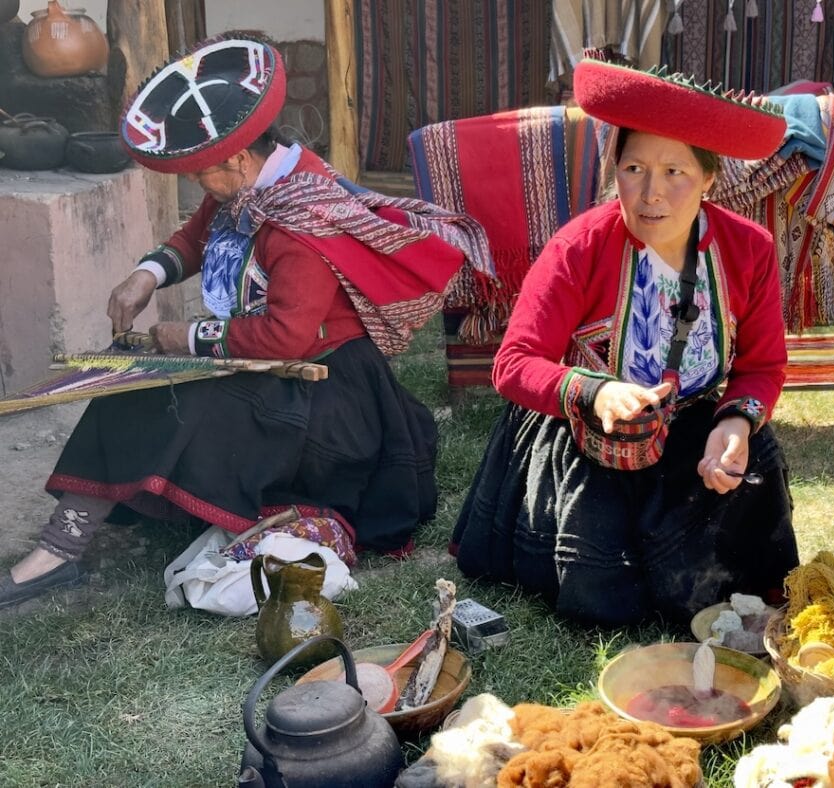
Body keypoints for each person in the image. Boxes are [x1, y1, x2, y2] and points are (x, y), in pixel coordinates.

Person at [0, 37, 489, 609]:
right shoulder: (247, 188)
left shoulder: (298, 220)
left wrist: (184, 337)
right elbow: (195, 236)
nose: (196, 186)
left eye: (201, 174)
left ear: (236, 160)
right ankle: (62, 546)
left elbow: (289, 337)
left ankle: (64, 546)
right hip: (265, 363)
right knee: (132, 382)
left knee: (178, 399)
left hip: (324, 397)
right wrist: (146, 276)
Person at [451, 59, 800, 628]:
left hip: (696, 427)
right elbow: (514, 364)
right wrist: (594, 392)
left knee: (755, 470)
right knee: (610, 601)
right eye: (634, 168)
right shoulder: (580, 246)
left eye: (675, 173)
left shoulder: (748, 250)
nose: (650, 194)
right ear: (616, 167)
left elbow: (762, 366)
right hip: (592, 431)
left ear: (711, 178)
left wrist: (733, 426)